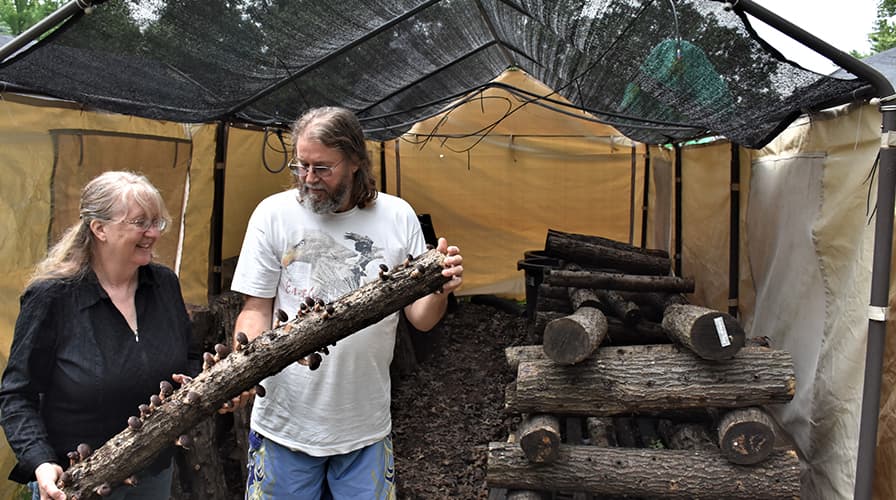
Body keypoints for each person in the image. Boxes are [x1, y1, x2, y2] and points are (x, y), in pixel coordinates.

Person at [229, 106, 463, 499]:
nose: (308, 178)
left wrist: (439, 288)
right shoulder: (273, 214)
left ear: (356, 161)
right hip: (284, 423)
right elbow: (256, 308)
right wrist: (242, 367)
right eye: (301, 165)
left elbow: (420, 320)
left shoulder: (396, 216)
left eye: (322, 168)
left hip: (363, 425)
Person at [0, 171, 198, 500]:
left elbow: (190, 356)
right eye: (140, 223)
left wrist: (194, 383)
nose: (153, 233)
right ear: (99, 228)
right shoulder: (53, 297)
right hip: (77, 481)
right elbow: (17, 395)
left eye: (157, 222)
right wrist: (41, 461)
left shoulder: (163, 284)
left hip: (153, 470)